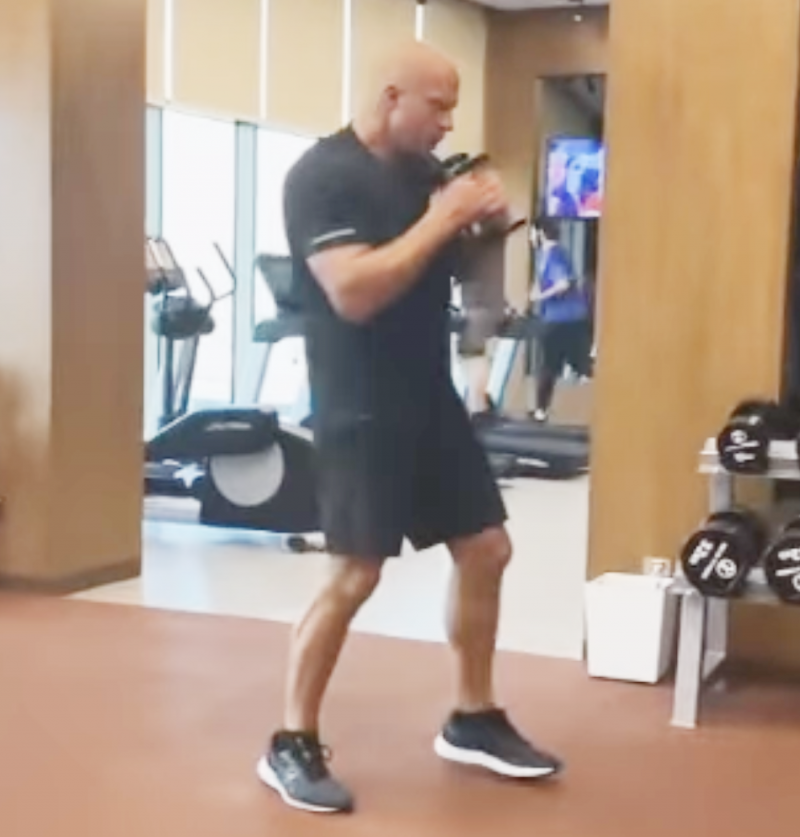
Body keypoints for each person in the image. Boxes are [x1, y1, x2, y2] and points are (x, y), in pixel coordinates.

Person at [255, 41, 563, 815]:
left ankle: (471, 714)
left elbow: (465, 284)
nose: (449, 121)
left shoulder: (426, 176)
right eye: (439, 106)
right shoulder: (323, 176)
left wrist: (485, 228)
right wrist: (444, 217)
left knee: (487, 548)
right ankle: (290, 739)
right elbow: (354, 292)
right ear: (393, 97)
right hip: (359, 401)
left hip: (427, 393)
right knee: (356, 573)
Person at [530, 217, 593, 422]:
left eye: (532, 233)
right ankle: (541, 409)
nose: (530, 238)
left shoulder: (555, 254)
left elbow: (563, 283)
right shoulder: (545, 256)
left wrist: (540, 296)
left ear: (540, 233)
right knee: (573, 365)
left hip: (563, 319)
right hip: (565, 318)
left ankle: (541, 410)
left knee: (552, 365)